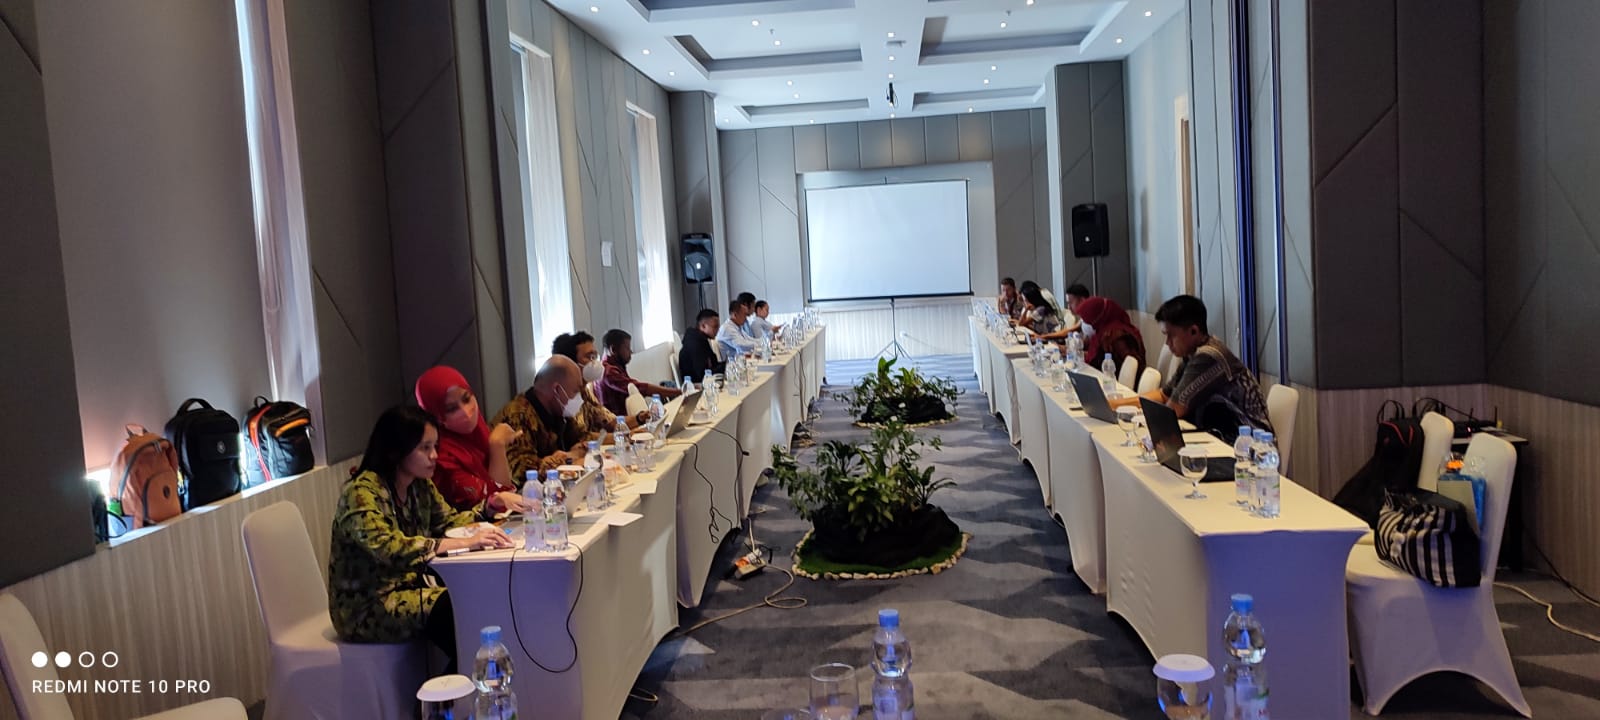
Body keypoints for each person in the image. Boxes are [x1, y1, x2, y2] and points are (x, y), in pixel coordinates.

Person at [329, 405, 527, 673]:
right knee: (456, 611)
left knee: (473, 602)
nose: (434, 456)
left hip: (409, 589)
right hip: (366, 606)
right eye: (425, 448)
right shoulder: (361, 493)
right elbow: (387, 547)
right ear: (396, 449)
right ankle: (460, 691)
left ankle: (466, 685)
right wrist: (461, 543)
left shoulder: (419, 484)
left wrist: (490, 506)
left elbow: (448, 523)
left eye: (435, 446)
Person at [1110, 294, 1270, 437]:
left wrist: (1131, 414)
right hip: (1221, 435)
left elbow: (1173, 410)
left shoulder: (1208, 356)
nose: (1167, 343)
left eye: (1171, 336)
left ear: (1193, 331)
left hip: (1250, 444)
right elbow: (1164, 395)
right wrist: (1116, 405)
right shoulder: (1192, 354)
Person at [414, 366, 523, 509]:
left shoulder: (479, 433)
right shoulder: (439, 457)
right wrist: (497, 446)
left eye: (466, 399)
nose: (466, 412)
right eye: (451, 409)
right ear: (435, 416)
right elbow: (497, 503)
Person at [493, 356, 609, 480]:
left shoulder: (560, 411)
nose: (579, 397)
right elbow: (521, 472)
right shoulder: (518, 416)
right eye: (575, 391)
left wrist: (617, 437)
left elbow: (581, 438)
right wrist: (571, 461)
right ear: (557, 390)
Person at [551, 332, 650, 430]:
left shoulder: (585, 392)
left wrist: (640, 417)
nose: (595, 362)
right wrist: (628, 435)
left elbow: (609, 420)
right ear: (571, 362)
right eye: (590, 357)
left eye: (595, 357)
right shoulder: (564, 397)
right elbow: (581, 437)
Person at [594, 328, 681, 416]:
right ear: (613, 349)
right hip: (621, 423)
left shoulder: (615, 366)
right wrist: (679, 392)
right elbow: (639, 388)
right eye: (627, 348)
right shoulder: (608, 372)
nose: (631, 352)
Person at [1074, 296, 1147, 378]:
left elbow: (1126, 369)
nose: (1084, 324)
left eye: (1086, 321)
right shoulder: (1103, 331)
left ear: (1097, 318)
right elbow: (1098, 356)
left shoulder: (1115, 336)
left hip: (1116, 381)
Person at [678, 309, 726, 381]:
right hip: (697, 385)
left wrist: (727, 364)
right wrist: (725, 366)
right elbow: (703, 375)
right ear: (703, 326)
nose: (718, 330)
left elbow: (714, 364)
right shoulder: (694, 343)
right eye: (715, 327)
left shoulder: (702, 339)